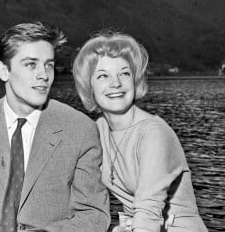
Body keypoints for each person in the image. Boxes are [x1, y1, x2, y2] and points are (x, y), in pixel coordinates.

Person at [0, 22, 110, 232]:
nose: (44, 75)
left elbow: (94, 216)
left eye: (49, 64)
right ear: (4, 71)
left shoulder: (81, 129)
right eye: (31, 64)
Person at [73, 30, 208, 232]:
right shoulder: (99, 129)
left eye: (124, 73)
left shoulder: (153, 133)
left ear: (135, 81)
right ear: (89, 87)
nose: (115, 83)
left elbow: (148, 211)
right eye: (103, 76)